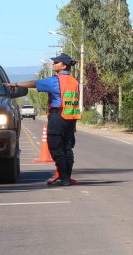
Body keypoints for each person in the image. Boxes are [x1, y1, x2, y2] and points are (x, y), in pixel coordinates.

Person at [4, 53, 81, 186]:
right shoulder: (74, 82)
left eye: (56, 62)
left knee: (56, 148)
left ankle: (64, 178)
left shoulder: (55, 81)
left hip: (58, 117)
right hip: (70, 118)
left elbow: (34, 83)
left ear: (63, 66)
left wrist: (15, 84)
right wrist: (73, 124)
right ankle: (67, 176)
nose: (53, 64)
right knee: (67, 148)